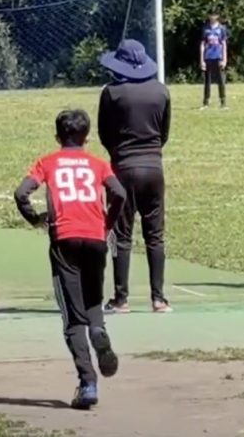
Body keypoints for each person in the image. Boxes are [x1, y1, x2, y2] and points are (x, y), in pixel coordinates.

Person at [13, 109, 126, 410]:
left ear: (57, 137)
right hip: (95, 237)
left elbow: (21, 192)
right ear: (87, 137)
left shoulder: (48, 162)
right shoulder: (99, 164)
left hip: (64, 240)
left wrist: (35, 219)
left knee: (72, 318)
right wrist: (107, 223)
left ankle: (88, 382)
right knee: (93, 300)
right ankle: (99, 329)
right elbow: (119, 193)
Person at [97, 39, 172, 314]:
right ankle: (159, 298)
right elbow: (164, 133)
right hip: (154, 167)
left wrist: (119, 154)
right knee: (155, 235)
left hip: (123, 168)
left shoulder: (111, 93)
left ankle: (121, 298)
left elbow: (104, 132)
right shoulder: (161, 91)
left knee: (121, 234)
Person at [199, 12, 229, 109]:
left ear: (217, 16)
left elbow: (224, 44)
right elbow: (202, 44)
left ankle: (223, 102)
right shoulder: (205, 29)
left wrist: (224, 59)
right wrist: (202, 60)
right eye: (211, 15)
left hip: (218, 57)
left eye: (214, 15)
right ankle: (206, 102)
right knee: (207, 81)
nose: (212, 17)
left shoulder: (221, 29)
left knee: (221, 80)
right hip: (208, 57)